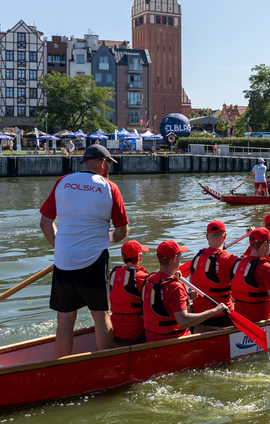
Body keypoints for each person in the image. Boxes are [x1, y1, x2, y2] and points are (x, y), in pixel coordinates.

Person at [39, 144, 129, 358]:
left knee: (65, 320)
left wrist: (60, 247)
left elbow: (45, 223)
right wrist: (107, 239)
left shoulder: (63, 182)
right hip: (93, 259)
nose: (108, 169)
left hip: (63, 260)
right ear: (102, 162)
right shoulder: (109, 187)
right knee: (101, 315)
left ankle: (62, 366)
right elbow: (122, 231)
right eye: (108, 164)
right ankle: (107, 363)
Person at [142, 240, 228, 342]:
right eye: (180, 256)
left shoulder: (149, 280)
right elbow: (184, 321)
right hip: (174, 341)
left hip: (152, 338)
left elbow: (162, 301)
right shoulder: (175, 287)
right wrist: (215, 311)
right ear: (174, 259)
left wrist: (187, 295)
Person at [188, 220, 240, 331]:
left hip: (199, 315)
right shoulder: (230, 259)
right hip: (221, 316)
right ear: (225, 236)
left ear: (207, 237)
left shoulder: (196, 258)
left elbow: (191, 283)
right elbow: (252, 262)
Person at [109, 240, 151, 345]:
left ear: (123, 257)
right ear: (139, 256)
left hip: (114, 331)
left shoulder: (112, 275)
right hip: (136, 332)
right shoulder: (141, 277)